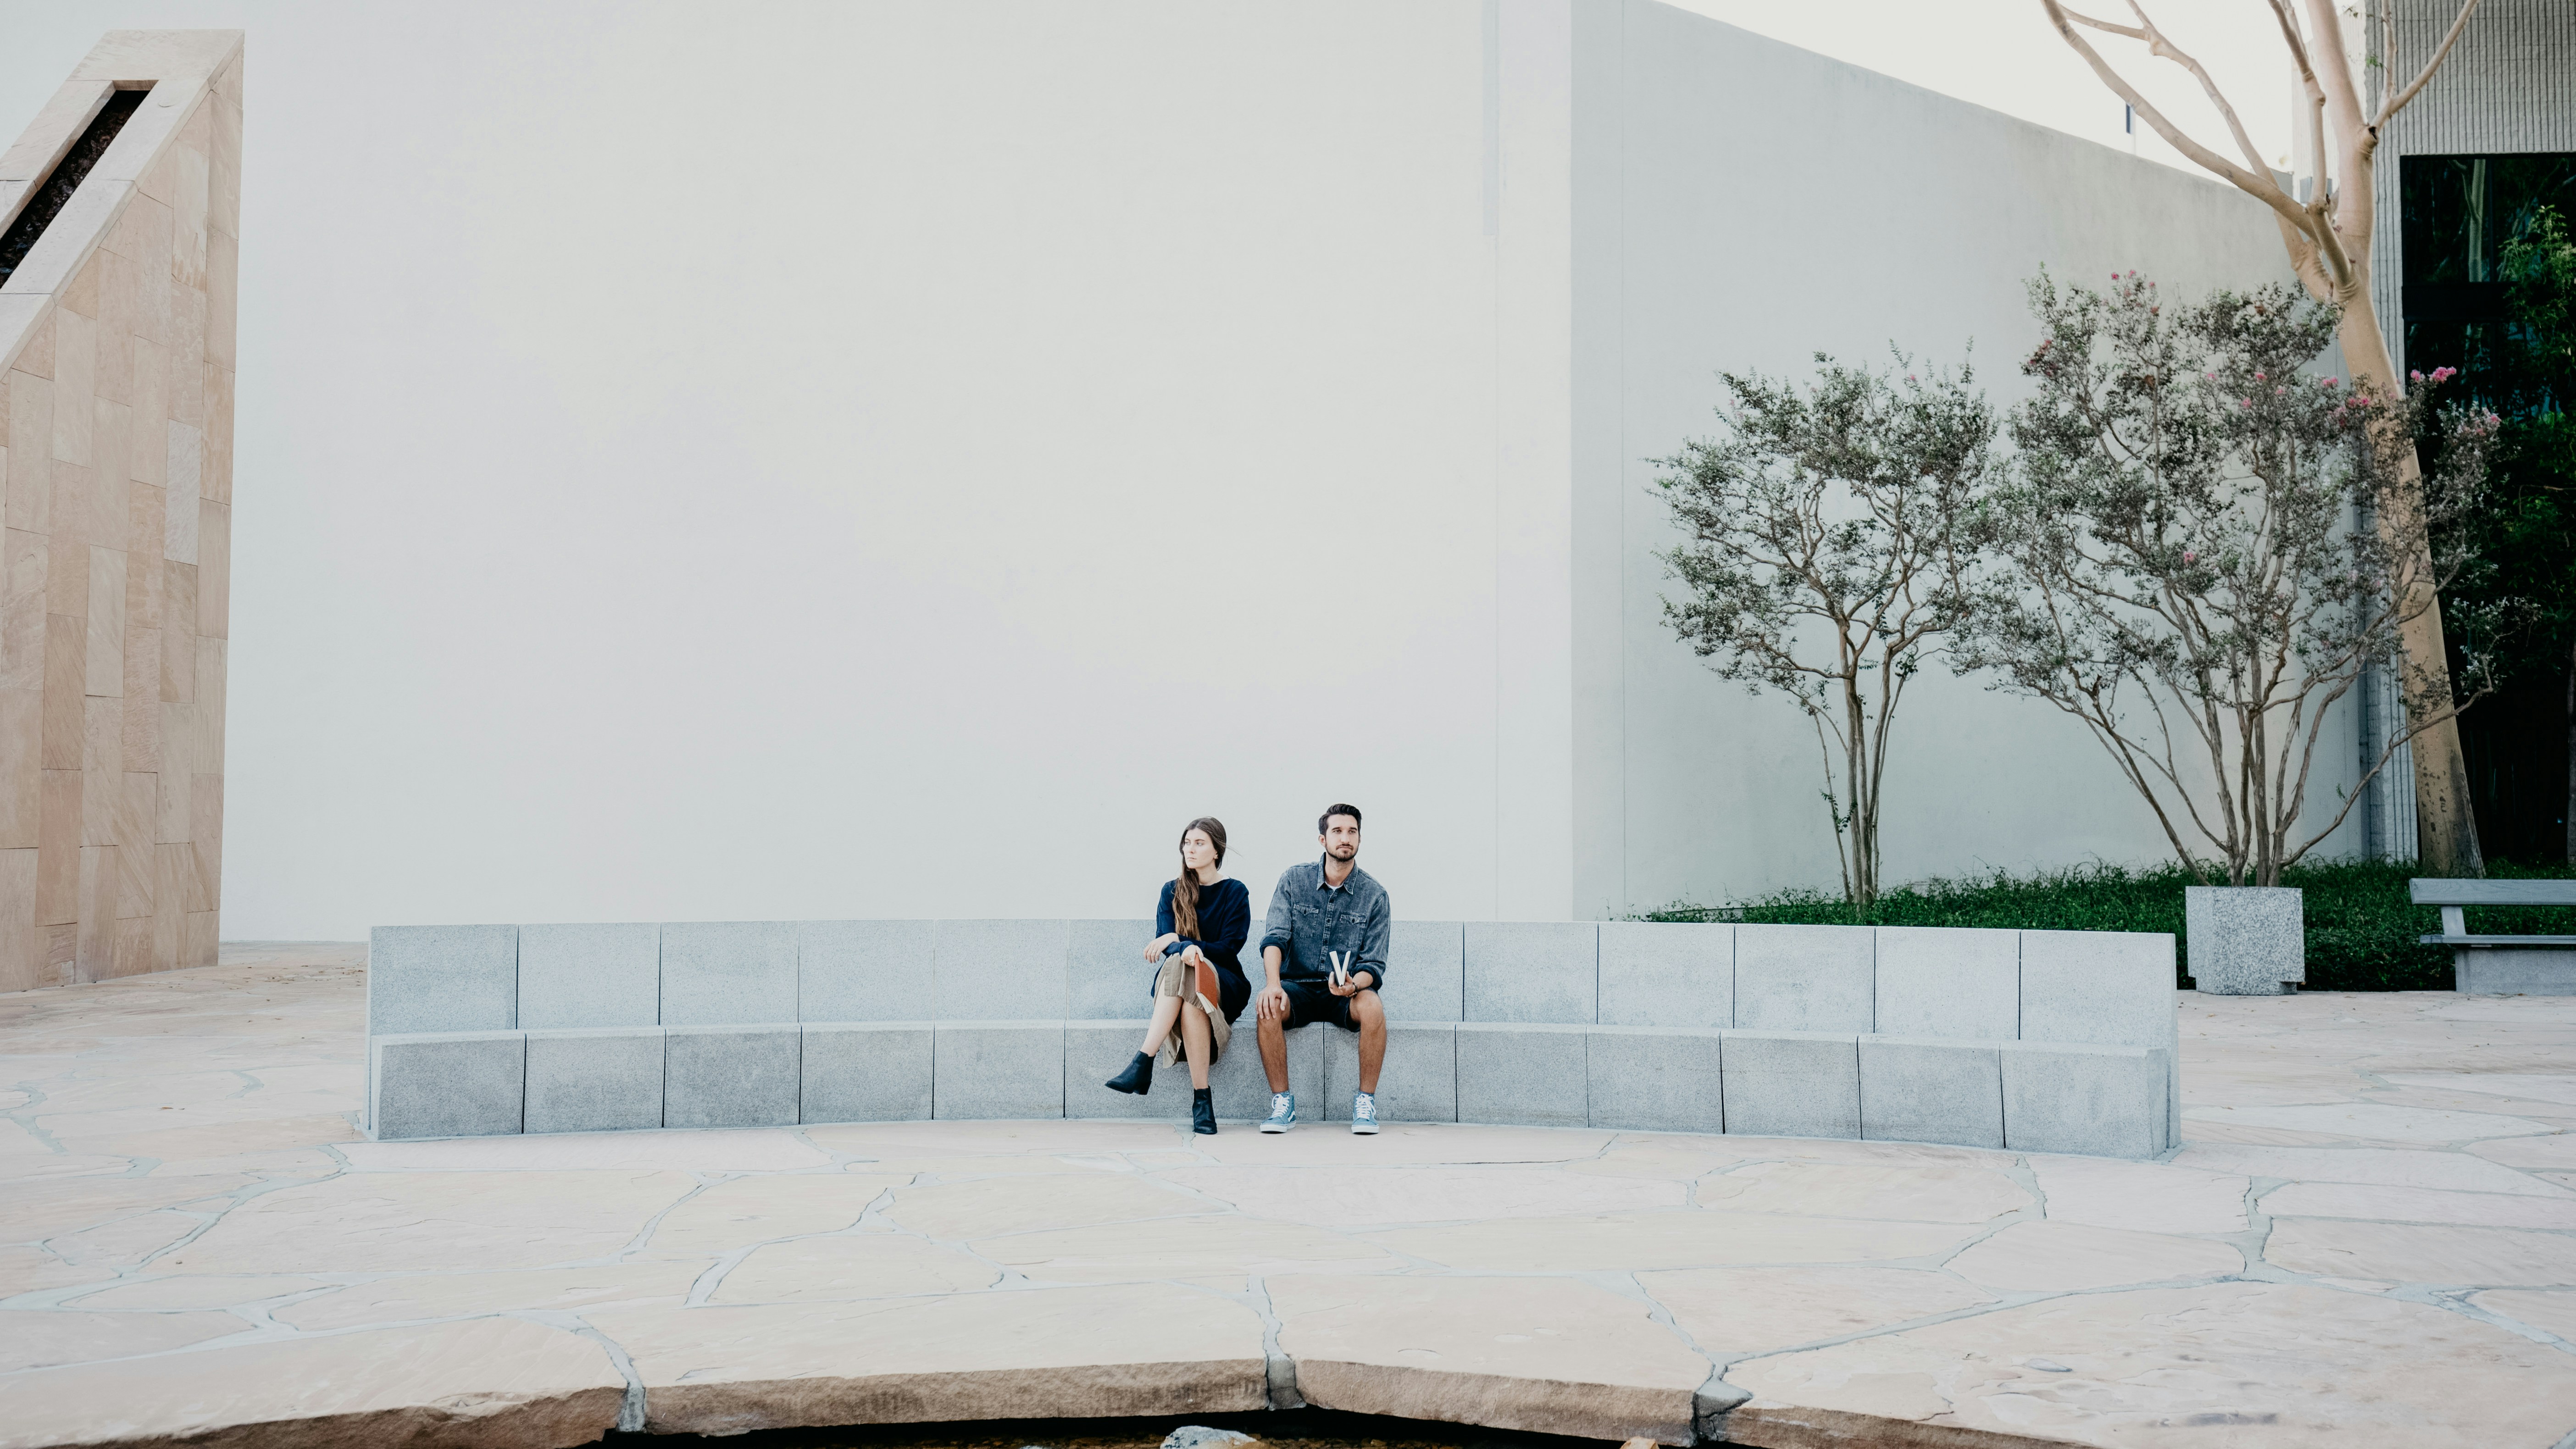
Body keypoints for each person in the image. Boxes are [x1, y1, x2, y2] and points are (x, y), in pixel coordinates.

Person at [1104, 816, 1249, 1135]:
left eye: (1199, 843)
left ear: (1216, 850)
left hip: (1223, 980)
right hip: (1182, 988)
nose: (1191, 849)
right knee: (1187, 989)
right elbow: (1164, 943)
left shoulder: (1235, 892)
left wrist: (1184, 945)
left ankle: (1143, 1061)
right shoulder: (1172, 890)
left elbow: (1229, 948)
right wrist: (1181, 949)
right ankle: (1202, 1100)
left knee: (1187, 964)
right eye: (1187, 842)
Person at [1253, 803, 1390, 1135]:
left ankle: (1365, 1103)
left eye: (1352, 831)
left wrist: (1353, 986)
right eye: (1337, 831)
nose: (1345, 838)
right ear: (1322, 838)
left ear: (1359, 838)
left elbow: (1374, 963)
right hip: (1297, 986)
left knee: (1372, 1005)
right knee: (1268, 1007)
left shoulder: (1375, 895)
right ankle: (1283, 1104)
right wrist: (1273, 984)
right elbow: (1275, 937)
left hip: (1345, 991)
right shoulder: (1294, 880)